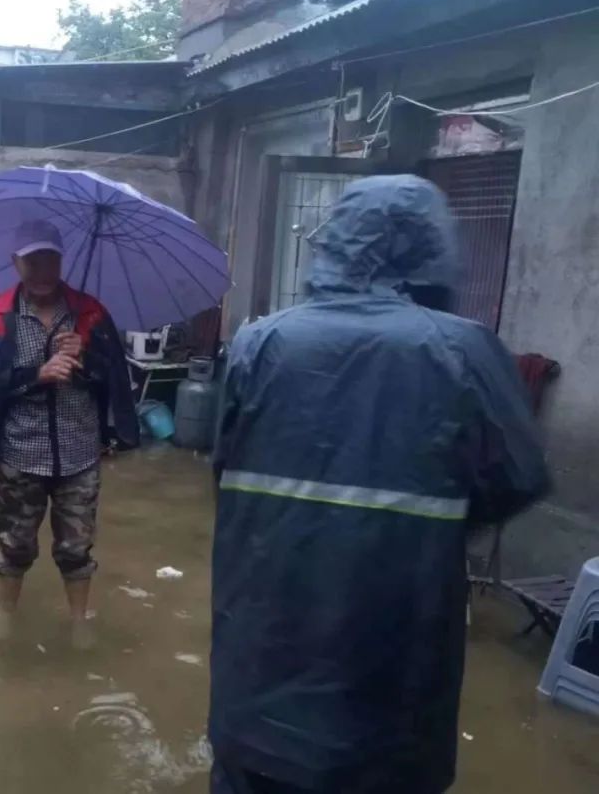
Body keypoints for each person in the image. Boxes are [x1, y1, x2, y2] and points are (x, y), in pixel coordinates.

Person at [210, 175, 550, 794]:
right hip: (393, 684)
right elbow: (519, 477)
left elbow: (224, 476)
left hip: (257, 679)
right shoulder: (465, 350)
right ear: (430, 251)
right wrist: (426, 523)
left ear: (334, 242)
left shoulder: (259, 343)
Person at [0, 218, 138, 644]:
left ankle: (79, 622)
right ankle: (5, 612)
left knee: (76, 547)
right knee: (15, 542)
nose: (41, 271)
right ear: (15, 263)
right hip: (20, 451)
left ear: (61, 261)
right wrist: (37, 374)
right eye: (31, 261)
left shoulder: (90, 314)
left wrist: (87, 356)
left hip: (79, 451)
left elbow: (114, 381)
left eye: (49, 260)